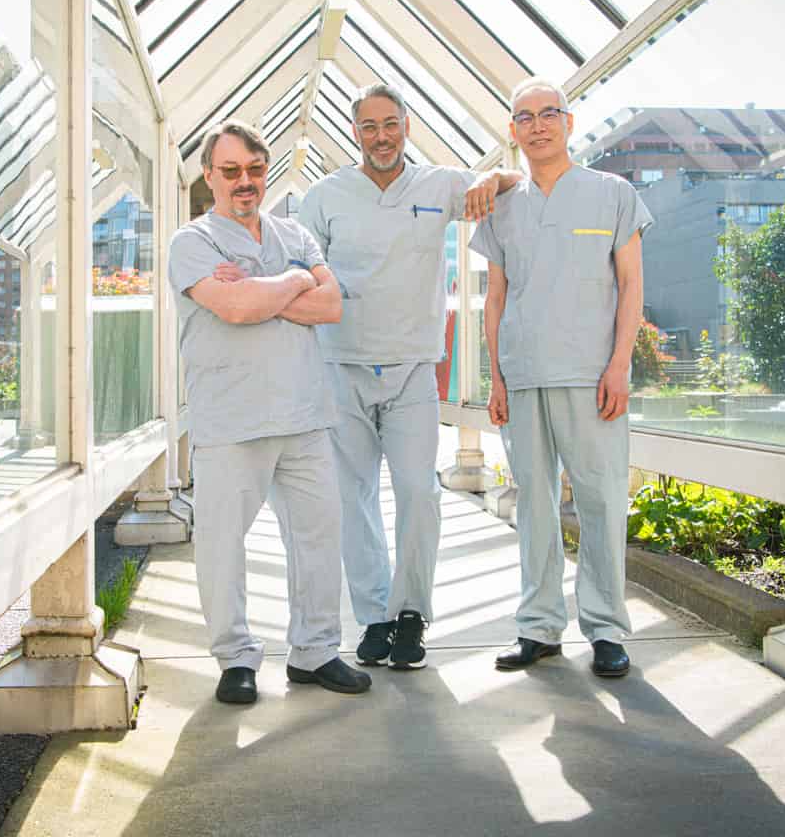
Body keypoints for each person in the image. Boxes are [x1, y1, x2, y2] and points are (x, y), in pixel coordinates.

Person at [296, 84, 520, 670]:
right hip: (340, 366)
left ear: (407, 125)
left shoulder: (440, 184)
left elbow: (513, 182)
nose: (381, 136)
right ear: (355, 133)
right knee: (354, 497)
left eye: (390, 124)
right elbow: (300, 275)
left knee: (420, 493)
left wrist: (488, 181)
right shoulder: (324, 197)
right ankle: (373, 617)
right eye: (368, 126)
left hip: (413, 369)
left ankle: (410, 614)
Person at [168, 119, 369, 705]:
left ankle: (315, 652)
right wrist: (293, 283)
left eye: (255, 170)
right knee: (223, 545)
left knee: (317, 538)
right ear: (210, 175)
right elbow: (232, 308)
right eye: (230, 171)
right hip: (231, 421)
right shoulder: (193, 242)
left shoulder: (295, 233)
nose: (244, 182)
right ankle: (235, 659)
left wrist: (266, 291)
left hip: (304, 416)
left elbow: (331, 307)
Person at [471, 77, 653, 678]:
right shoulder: (502, 206)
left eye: (550, 113)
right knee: (535, 507)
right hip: (523, 376)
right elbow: (494, 298)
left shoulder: (612, 194)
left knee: (601, 502)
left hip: (591, 374)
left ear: (569, 123)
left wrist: (621, 364)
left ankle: (605, 630)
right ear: (513, 131)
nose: (538, 125)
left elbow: (631, 285)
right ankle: (539, 626)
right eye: (525, 117)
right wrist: (495, 377)